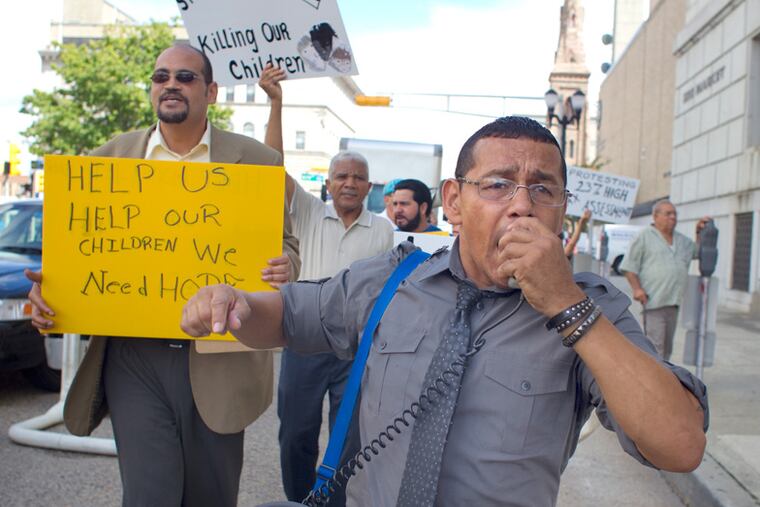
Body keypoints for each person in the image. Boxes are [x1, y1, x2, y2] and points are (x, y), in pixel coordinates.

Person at [180, 116, 708, 507]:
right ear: (454, 203)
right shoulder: (393, 278)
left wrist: (567, 305)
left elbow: (679, 446)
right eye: (498, 184)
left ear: (561, 208)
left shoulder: (593, 306)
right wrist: (239, 304)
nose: (521, 205)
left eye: (542, 189)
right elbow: (293, 315)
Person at [27, 44, 300, 507]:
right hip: (133, 357)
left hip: (220, 355)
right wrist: (50, 289)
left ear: (211, 91)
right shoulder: (105, 161)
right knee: (148, 492)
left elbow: (286, 245)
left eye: (186, 77)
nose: (171, 84)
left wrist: (286, 266)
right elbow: (75, 254)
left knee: (210, 494)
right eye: (161, 76)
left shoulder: (257, 161)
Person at [258, 63, 394, 505]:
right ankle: (299, 500)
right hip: (304, 337)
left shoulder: (383, 230)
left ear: (369, 185)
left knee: (346, 438)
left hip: (355, 347)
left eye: (357, 177)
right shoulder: (310, 213)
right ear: (328, 183)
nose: (349, 182)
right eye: (341, 176)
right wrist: (276, 104)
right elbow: (270, 169)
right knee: (295, 432)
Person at [620, 199, 709, 360]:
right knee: (656, 347)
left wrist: (698, 232)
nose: (673, 217)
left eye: (674, 214)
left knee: (667, 348)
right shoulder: (644, 236)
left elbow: (696, 252)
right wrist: (637, 289)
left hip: (673, 302)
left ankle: (664, 377)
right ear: (655, 216)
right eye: (668, 214)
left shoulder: (681, 240)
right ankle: (655, 381)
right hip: (654, 301)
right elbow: (629, 266)